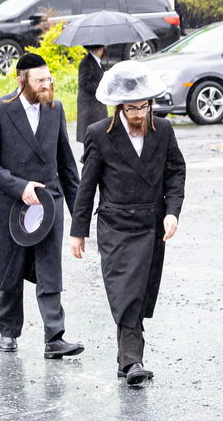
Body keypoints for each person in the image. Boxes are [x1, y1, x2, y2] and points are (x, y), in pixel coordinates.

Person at [68, 62, 186, 385]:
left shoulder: (163, 130)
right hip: (116, 225)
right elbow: (87, 185)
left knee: (140, 293)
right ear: (119, 106)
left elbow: (176, 172)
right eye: (132, 108)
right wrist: (78, 231)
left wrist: (172, 212)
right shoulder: (99, 134)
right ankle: (134, 360)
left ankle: (126, 360)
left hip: (151, 224)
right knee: (126, 291)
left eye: (144, 106)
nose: (138, 113)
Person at [0, 53, 83, 358]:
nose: (46, 85)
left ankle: (55, 337)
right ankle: (8, 332)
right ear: (22, 81)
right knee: (11, 268)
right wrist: (20, 186)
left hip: (49, 202)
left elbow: (67, 165)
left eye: (49, 79)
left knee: (50, 270)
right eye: (40, 80)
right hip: (10, 203)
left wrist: (79, 217)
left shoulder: (54, 109)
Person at [75, 45, 107, 142]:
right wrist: (101, 87)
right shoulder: (86, 62)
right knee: (91, 138)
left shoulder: (96, 62)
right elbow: (84, 83)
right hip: (90, 107)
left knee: (98, 137)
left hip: (96, 106)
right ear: (100, 49)